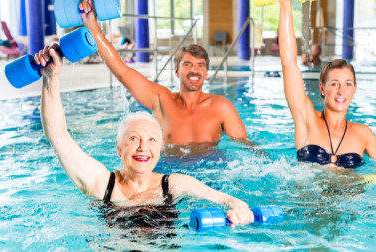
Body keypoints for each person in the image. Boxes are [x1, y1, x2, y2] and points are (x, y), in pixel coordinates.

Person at [35, 44, 254, 226]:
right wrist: (51, 79)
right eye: (134, 138)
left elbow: (229, 200)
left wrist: (239, 209)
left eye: (151, 140)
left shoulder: (174, 185)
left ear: (159, 149)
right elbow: (58, 137)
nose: (143, 147)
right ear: (118, 148)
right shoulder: (101, 183)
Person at [78, 1, 250, 146]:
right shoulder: (162, 100)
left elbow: (246, 147)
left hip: (212, 177)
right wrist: (92, 24)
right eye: (187, 64)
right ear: (176, 71)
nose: (194, 70)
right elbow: (122, 72)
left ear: (206, 73)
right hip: (170, 174)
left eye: (200, 65)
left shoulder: (221, 107)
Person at [278, 0, 376, 168]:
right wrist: (285, 5)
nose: (341, 91)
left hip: (350, 194)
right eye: (334, 84)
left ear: (354, 89)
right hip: (308, 194)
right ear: (322, 88)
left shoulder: (363, 133)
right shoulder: (307, 118)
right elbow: (289, 64)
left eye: (347, 84)